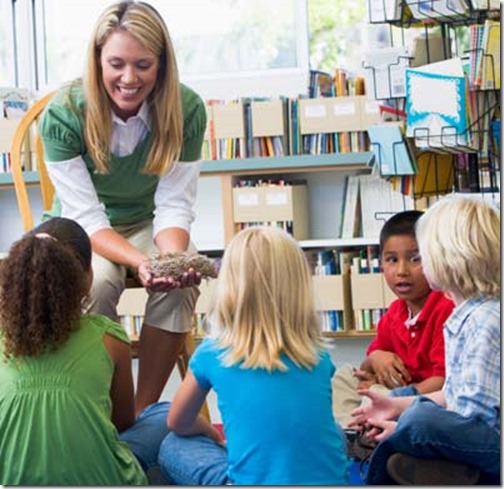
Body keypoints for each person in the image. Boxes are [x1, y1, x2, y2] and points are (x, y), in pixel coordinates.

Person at [39, 1, 207, 415]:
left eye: (143, 65)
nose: (129, 79)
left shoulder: (186, 110)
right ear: (97, 60)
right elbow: (86, 217)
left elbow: (173, 206)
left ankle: (139, 416)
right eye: (116, 63)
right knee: (95, 286)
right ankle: (102, 410)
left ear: (162, 65)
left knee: (180, 283)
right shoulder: (63, 113)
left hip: (146, 222)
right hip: (81, 230)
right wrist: (139, 262)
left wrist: (167, 260)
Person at [158, 226, 351, 485]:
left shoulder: (212, 353)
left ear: (229, 284)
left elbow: (178, 422)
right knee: (335, 431)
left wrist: (215, 436)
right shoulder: (317, 355)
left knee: (173, 445)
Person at [0, 217, 171, 485]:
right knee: (164, 416)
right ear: (88, 277)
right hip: (103, 479)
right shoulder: (109, 337)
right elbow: (122, 422)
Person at [349, 194, 500, 485]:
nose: (408, 267)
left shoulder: (486, 320)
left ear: (450, 258)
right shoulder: (465, 315)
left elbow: (473, 420)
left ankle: (405, 460)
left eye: (421, 256)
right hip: (467, 429)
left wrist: (406, 423)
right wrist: (395, 406)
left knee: (419, 422)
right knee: (398, 403)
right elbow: (453, 394)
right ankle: (411, 455)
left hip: (492, 443)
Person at [332, 210, 454, 428]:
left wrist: (397, 396)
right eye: (392, 260)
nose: (402, 271)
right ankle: (352, 434)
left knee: (377, 393)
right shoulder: (394, 313)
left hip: (423, 400)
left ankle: (368, 432)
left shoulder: (445, 307)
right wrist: (376, 357)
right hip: (395, 392)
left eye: (415, 259)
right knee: (344, 377)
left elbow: (444, 381)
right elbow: (367, 367)